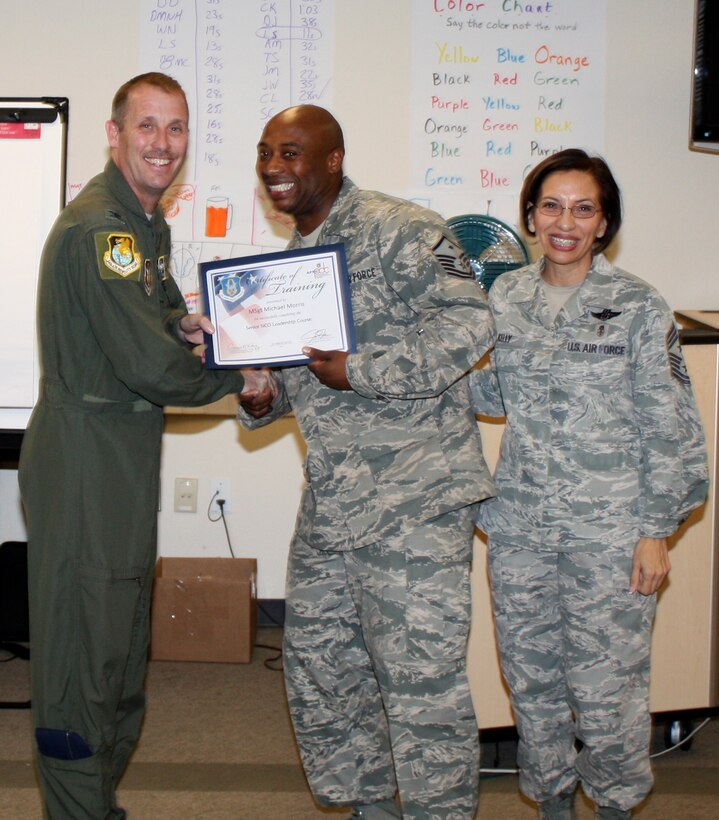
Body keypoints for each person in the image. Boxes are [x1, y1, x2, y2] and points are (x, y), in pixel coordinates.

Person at [18, 72, 271, 819]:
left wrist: (187, 325)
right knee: (82, 661)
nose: (163, 143)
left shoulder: (141, 225)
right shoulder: (103, 231)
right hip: (87, 460)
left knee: (120, 652)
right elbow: (149, 365)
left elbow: (150, 322)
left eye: (176, 127)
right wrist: (239, 375)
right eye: (147, 126)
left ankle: (97, 804)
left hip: (120, 455)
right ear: (115, 133)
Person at [240, 104, 496, 819]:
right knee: (326, 674)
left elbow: (471, 320)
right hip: (334, 503)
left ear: (333, 160)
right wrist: (263, 395)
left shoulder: (399, 228)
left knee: (422, 688)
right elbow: (301, 379)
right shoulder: (288, 264)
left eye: (291, 152)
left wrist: (361, 370)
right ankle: (371, 809)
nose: (274, 167)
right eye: (265, 152)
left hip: (415, 504)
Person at [470, 149, 709, 820]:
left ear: (603, 223)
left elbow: (670, 428)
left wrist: (655, 532)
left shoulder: (637, 305)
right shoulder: (506, 296)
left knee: (608, 693)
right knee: (531, 683)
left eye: (582, 209)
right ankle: (551, 803)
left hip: (609, 535)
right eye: (550, 206)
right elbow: (498, 393)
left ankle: (613, 806)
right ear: (529, 216)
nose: (564, 222)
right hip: (520, 528)